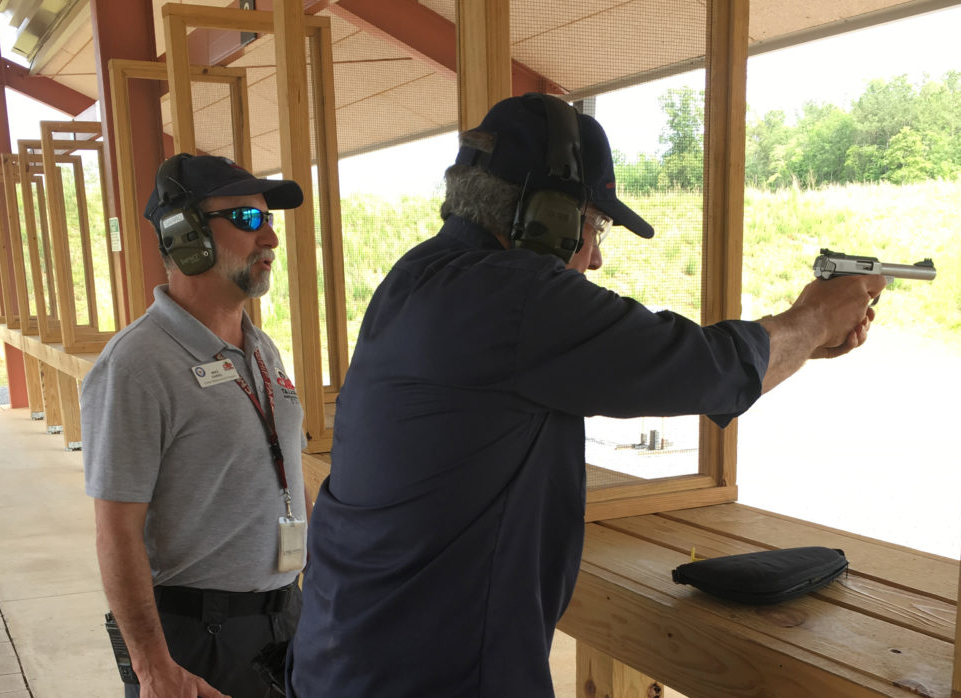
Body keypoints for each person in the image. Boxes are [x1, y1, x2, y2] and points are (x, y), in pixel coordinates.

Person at [286, 94, 886, 697]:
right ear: (546, 217)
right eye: (593, 226)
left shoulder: (419, 275)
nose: (595, 256)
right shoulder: (512, 296)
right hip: (432, 673)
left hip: (350, 651)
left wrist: (805, 339)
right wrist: (813, 319)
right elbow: (708, 371)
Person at [82, 154, 313, 698]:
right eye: (249, 220)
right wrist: (153, 667)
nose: (271, 240)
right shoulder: (135, 365)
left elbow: (281, 468)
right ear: (185, 234)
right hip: (194, 634)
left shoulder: (261, 349)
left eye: (270, 221)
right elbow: (115, 530)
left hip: (285, 615)